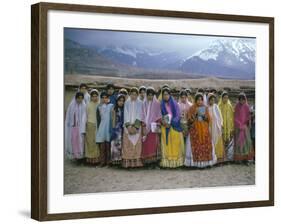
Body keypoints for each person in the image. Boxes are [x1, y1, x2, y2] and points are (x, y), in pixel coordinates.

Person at [185, 93, 216, 168]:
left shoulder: (205, 108)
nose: (199, 101)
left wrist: (205, 117)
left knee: (205, 145)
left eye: (201, 100)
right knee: (196, 145)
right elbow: (189, 120)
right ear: (195, 100)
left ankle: (205, 163)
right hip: (195, 130)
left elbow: (209, 119)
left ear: (203, 100)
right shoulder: (192, 108)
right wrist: (194, 116)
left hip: (204, 130)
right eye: (198, 100)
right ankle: (195, 164)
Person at [160, 88, 184, 168]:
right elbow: (159, 116)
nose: (165, 96)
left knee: (176, 140)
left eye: (167, 94)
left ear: (169, 95)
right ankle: (167, 163)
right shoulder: (161, 105)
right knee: (167, 143)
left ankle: (177, 162)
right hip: (165, 126)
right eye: (164, 95)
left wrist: (171, 123)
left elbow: (177, 115)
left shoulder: (174, 104)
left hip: (174, 126)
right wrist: (164, 122)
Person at [122, 87, 144, 168]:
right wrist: (128, 127)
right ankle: (128, 164)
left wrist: (135, 127)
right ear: (130, 94)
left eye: (135, 94)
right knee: (128, 145)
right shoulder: (127, 103)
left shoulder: (140, 103)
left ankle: (136, 164)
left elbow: (140, 114)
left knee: (136, 145)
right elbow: (126, 114)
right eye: (132, 94)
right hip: (128, 127)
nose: (133, 96)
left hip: (136, 127)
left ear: (137, 95)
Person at [141, 87, 162, 164]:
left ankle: (154, 162)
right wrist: (143, 126)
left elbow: (159, 115)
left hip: (153, 128)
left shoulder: (157, 104)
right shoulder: (143, 104)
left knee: (154, 144)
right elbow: (142, 115)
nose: (150, 97)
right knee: (146, 145)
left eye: (152, 95)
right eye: (149, 95)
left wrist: (158, 123)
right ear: (146, 95)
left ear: (154, 95)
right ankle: (147, 162)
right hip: (146, 128)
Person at [65, 92, 87, 160]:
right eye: (78, 98)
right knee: (74, 140)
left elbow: (85, 117)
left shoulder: (84, 105)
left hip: (81, 127)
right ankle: (75, 156)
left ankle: (81, 156)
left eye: (81, 98)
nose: (79, 99)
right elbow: (69, 115)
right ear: (76, 98)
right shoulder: (72, 105)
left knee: (81, 141)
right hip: (73, 126)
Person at [233, 93, 253, 163]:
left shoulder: (247, 106)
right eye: (240, 100)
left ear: (245, 99)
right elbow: (235, 116)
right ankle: (239, 159)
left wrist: (245, 124)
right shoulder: (237, 106)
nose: (242, 101)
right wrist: (239, 124)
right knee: (239, 143)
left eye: (243, 99)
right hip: (238, 128)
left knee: (247, 142)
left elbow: (248, 117)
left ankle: (246, 158)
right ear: (239, 100)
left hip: (245, 127)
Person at [96, 92, 114, 166]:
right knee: (102, 146)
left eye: (106, 97)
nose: (104, 99)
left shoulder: (111, 106)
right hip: (101, 128)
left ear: (108, 98)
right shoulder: (99, 107)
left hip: (108, 128)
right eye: (102, 98)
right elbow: (98, 119)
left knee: (108, 146)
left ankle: (109, 162)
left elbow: (113, 118)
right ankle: (102, 162)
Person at [208, 93, 225, 163]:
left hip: (216, 126)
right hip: (210, 126)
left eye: (213, 100)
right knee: (211, 139)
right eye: (211, 100)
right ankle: (212, 156)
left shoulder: (216, 106)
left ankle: (218, 157)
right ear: (208, 100)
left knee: (217, 139)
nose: (212, 101)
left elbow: (220, 116)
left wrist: (221, 124)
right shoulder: (207, 107)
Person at [85, 89, 100, 165]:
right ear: (90, 97)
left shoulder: (99, 104)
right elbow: (85, 116)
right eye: (93, 96)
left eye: (96, 96)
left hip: (98, 125)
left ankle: (96, 160)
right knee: (90, 142)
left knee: (96, 142)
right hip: (90, 125)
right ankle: (90, 160)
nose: (95, 98)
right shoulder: (87, 105)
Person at [218, 91, 234, 161]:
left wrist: (232, 127)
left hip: (228, 127)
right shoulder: (219, 106)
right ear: (222, 98)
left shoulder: (229, 106)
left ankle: (227, 156)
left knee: (228, 141)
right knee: (222, 141)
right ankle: (222, 156)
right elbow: (218, 117)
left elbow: (231, 117)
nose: (226, 99)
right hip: (222, 126)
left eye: (227, 98)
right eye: (224, 98)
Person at [110, 94, 125, 165]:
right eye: (120, 101)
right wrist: (113, 130)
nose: (121, 102)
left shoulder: (125, 109)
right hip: (116, 130)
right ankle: (116, 161)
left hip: (123, 129)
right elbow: (113, 121)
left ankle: (121, 161)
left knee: (122, 145)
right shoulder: (114, 109)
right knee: (115, 145)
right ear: (117, 101)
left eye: (123, 101)